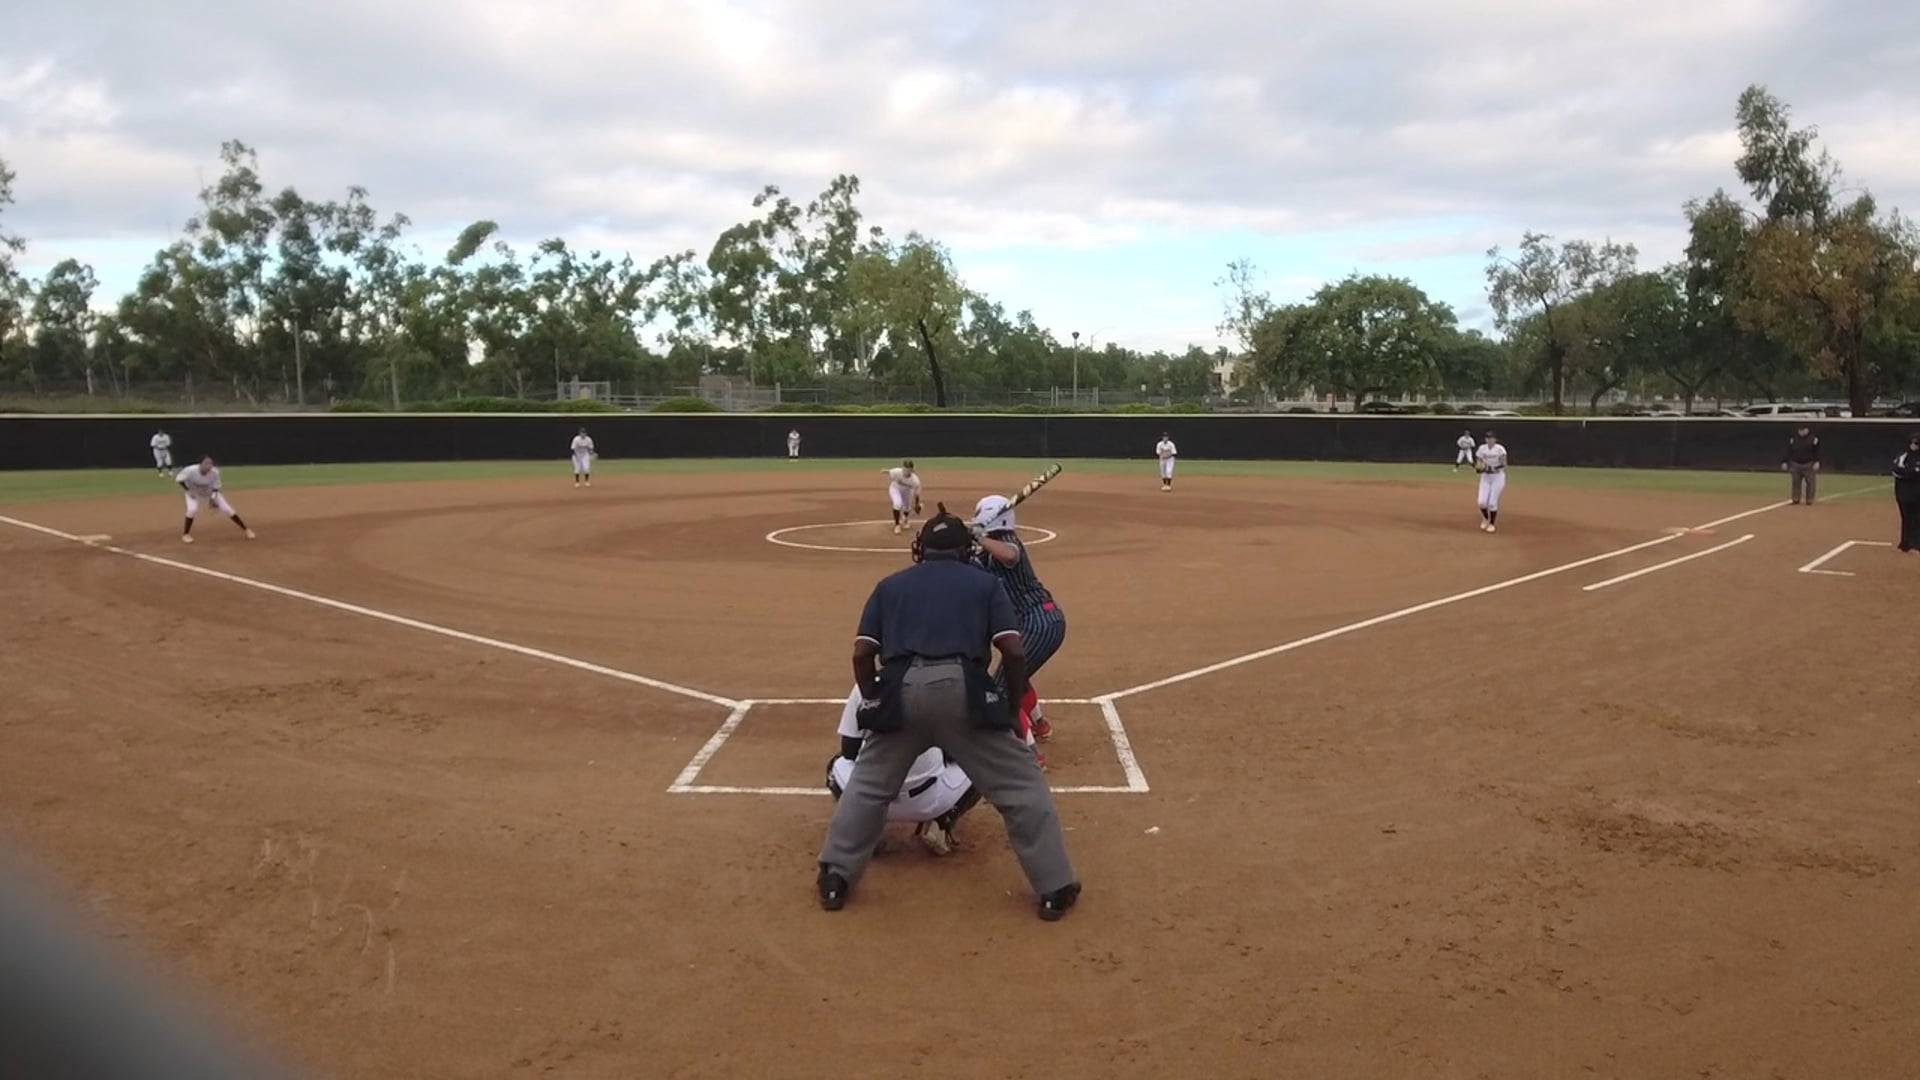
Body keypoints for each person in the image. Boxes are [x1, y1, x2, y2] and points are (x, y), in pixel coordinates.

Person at [816, 507, 1080, 921]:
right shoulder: (985, 583)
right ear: (964, 550)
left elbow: (862, 653)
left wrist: (873, 699)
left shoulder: (890, 585)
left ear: (921, 549)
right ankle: (1054, 889)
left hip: (901, 690)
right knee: (1021, 786)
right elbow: (1013, 652)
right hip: (963, 691)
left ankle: (835, 877)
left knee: (867, 786)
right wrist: (1010, 709)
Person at [824, 686, 980, 855]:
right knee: (980, 762)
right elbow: (955, 753)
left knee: (836, 765)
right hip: (929, 800)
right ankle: (942, 822)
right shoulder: (944, 684)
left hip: (872, 797)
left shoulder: (866, 684)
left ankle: (867, 828)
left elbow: (849, 750)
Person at [971, 493, 1065, 762]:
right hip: (1038, 622)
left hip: (1039, 622)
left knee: (1001, 691)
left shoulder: (1008, 541)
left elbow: (1010, 556)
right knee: (1016, 676)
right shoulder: (987, 553)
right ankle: (1040, 725)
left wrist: (979, 537)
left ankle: (1030, 756)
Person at [176, 457, 255, 544]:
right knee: (192, 509)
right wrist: (188, 490)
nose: (209, 466)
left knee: (227, 509)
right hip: (193, 493)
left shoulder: (214, 472)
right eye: (206, 463)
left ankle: (246, 529)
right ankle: (185, 535)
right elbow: (179, 479)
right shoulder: (190, 470)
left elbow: (216, 487)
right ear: (200, 464)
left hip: (210, 493)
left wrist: (212, 499)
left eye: (210, 463)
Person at [1475, 431, 1508, 533]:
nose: (1489, 440)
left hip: (1498, 477)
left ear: (1495, 439)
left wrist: (1494, 468)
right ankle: (1486, 519)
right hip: (1485, 477)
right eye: (1488, 438)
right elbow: (1479, 461)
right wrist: (1479, 468)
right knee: (1481, 502)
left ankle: (1492, 524)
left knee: (1492, 503)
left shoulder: (1500, 449)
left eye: (1491, 438)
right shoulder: (1482, 448)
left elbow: (1504, 463)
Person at [1894, 432, 1920, 553]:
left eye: (1916, 443)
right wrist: (1913, 473)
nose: (1913, 445)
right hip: (1903, 494)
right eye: (1912, 443)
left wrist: (1910, 473)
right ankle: (1905, 542)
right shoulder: (1902, 456)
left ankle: (1916, 542)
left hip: (1918, 494)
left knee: (1917, 518)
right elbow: (1896, 471)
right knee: (1906, 517)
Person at [1782, 423, 1820, 504]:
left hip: (1808, 464)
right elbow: (1788, 450)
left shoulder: (1813, 439)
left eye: (1803, 430)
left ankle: (1810, 499)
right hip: (1795, 464)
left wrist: (1817, 461)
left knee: (1810, 483)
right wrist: (1785, 461)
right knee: (1796, 482)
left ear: (1807, 430)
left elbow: (1817, 451)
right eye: (1800, 430)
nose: (1801, 432)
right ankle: (1795, 498)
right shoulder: (1793, 438)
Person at [884, 460, 923, 534]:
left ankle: (905, 519)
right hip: (895, 489)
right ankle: (897, 525)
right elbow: (890, 472)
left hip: (907, 492)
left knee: (907, 508)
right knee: (897, 504)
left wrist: (917, 504)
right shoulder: (897, 471)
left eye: (908, 468)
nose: (906, 470)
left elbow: (917, 494)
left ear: (912, 469)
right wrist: (885, 471)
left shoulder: (915, 481)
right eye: (905, 468)